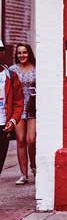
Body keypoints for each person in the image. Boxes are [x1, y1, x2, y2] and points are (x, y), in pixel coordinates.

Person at [9, 44, 34, 184]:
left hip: (33, 108)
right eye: (19, 53)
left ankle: (34, 166)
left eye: (24, 52)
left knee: (31, 139)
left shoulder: (36, 68)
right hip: (18, 108)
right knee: (20, 140)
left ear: (29, 53)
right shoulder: (12, 70)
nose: (22, 55)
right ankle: (23, 174)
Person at [0, 45, 24, 183]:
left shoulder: (10, 75)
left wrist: (13, 120)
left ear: (3, 53)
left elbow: (18, 102)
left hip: (4, 124)